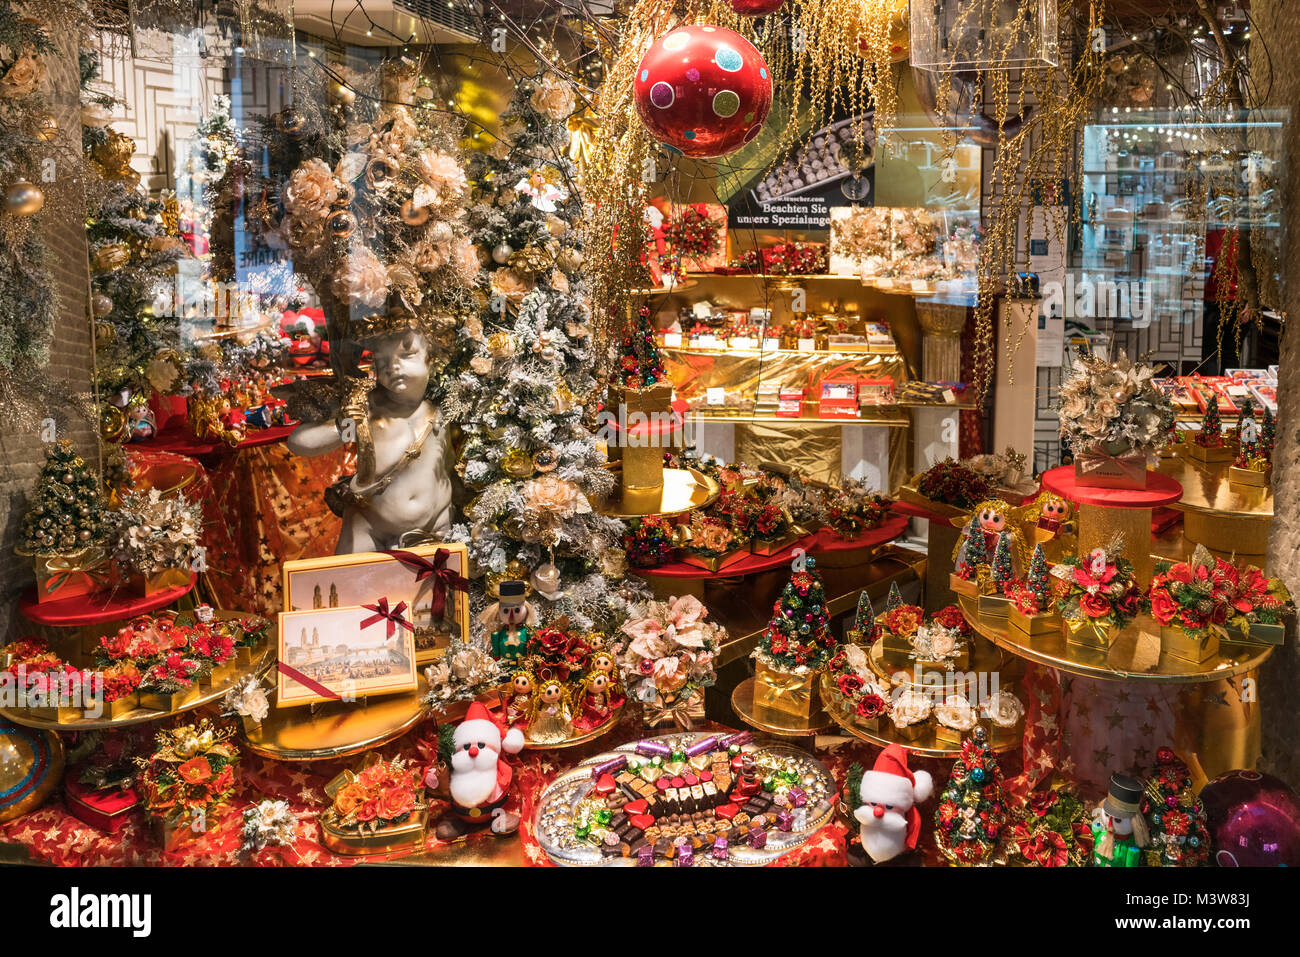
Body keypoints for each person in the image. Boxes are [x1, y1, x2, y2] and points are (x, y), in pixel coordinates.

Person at [288, 324, 454, 554]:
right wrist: (342, 426)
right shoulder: (366, 407)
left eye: (406, 354)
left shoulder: (448, 404)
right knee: (355, 585)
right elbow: (299, 442)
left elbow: (450, 467)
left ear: (433, 357)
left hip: (435, 526)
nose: (392, 366)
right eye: (382, 360)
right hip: (371, 528)